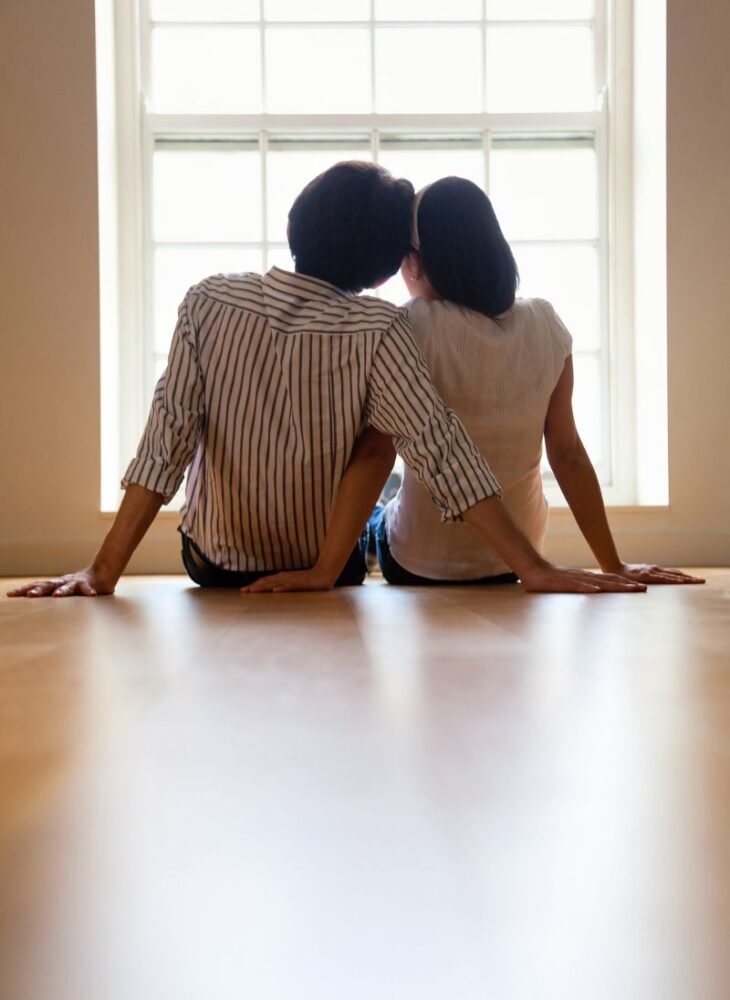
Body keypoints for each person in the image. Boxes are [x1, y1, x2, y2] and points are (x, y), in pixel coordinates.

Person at [9, 164, 650, 601]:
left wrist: (103, 570)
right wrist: (533, 566)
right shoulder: (380, 326)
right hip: (332, 567)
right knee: (377, 490)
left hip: (212, 565)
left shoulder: (205, 301)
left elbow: (167, 439)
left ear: (295, 226)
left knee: (373, 490)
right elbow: (439, 447)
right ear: (382, 273)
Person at [248, 177, 702, 593]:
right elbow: (568, 453)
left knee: (376, 506)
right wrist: (613, 563)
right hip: (517, 560)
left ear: (417, 262)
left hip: (417, 563)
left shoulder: (408, 324)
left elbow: (376, 450)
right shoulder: (546, 322)